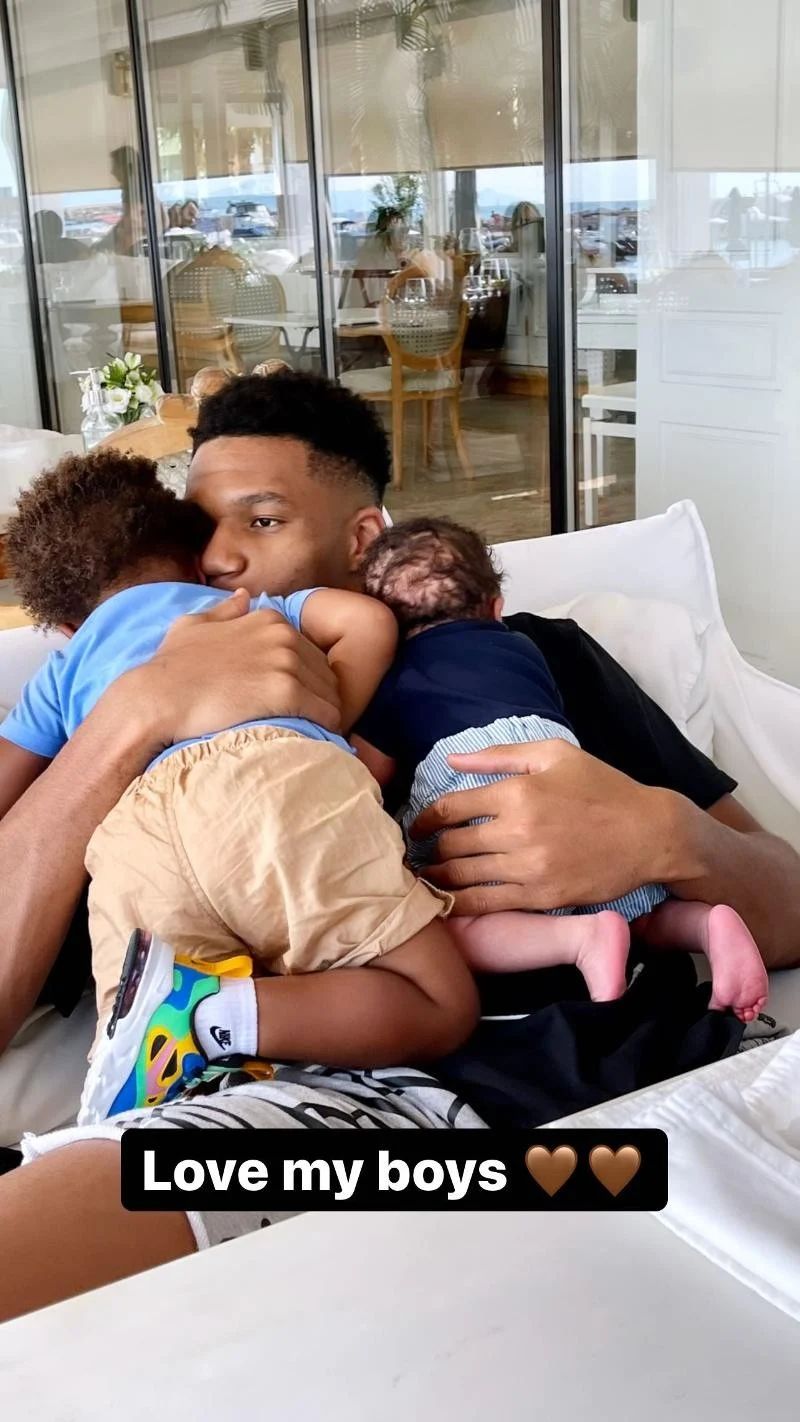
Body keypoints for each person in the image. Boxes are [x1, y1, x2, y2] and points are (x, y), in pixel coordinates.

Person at [0, 369, 798, 1322]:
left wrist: (663, 834)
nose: (216, 559)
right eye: (198, 529)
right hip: (326, 1125)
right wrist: (135, 715)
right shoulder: (122, 716)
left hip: (663, 1086)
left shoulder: (525, 656)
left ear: (360, 538)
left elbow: (790, 904)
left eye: (262, 520)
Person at [1, 450, 475, 1123]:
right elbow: (367, 622)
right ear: (197, 565)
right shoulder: (239, 607)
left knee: (136, 1031)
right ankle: (211, 1015)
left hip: (130, 838)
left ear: (68, 629)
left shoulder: (63, 669)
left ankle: (142, 1064)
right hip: (267, 782)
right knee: (438, 1001)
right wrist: (324, 720)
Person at [355, 518, 767, 1019]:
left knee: (445, 922)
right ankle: (706, 925)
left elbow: (363, 774)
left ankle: (579, 938)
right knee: (636, 908)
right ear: (495, 608)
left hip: (467, 770)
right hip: (565, 767)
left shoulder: (397, 673)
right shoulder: (525, 647)